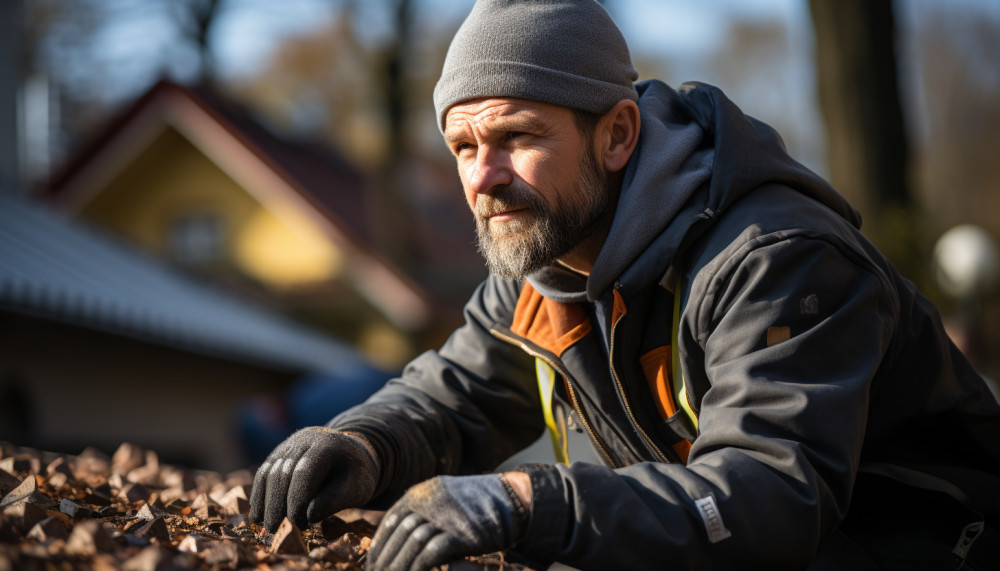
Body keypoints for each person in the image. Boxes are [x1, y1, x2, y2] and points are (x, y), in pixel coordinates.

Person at [249, 1, 1000, 569]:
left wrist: (530, 500)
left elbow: (772, 493)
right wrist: (364, 444)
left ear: (617, 135)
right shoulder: (544, 263)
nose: (483, 178)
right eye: (464, 146)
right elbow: (456, 396)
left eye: (517, 136)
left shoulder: (776, 261)